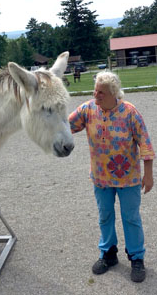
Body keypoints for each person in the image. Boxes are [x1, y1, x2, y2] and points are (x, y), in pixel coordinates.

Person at [68, 71, 155, 283]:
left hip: (129, 179)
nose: (95, 94)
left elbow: (145, 142)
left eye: (101, 92)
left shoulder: (129, 112)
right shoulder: (88, 109)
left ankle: (136, 257)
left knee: (131, 218)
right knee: (105, 215)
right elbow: (65, 126)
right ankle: (108, 254)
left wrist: (149, 175)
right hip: (101, 178)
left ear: (113, 93)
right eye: (95, 90)